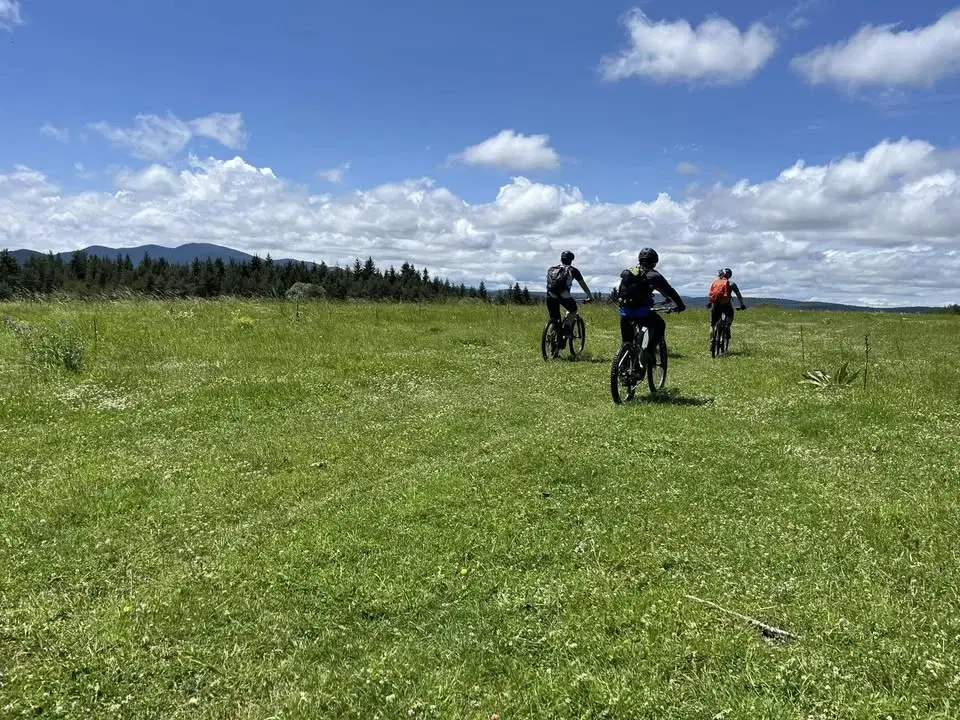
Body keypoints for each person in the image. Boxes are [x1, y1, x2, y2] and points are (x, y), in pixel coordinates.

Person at [616, 248, 686, 348]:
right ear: (654, 263)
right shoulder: (655, 276)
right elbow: (670, 291)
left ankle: (624, 357)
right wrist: (680, 305)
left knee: (627, 343)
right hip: (642, 313)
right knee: (660, 324)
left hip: (625, 312)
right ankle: (648, 351)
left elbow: (620, 293)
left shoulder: (629, 273)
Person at [545, 251, 594, 346]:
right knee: (573, 309)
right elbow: (582, 284)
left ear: (561, 259)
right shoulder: (573, 270)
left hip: (550, 296)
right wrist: (590, 296)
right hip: (564, 295)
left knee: (554, 319)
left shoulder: (552, 269)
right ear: (571, 260)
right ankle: (567, 328)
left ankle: (551, 340)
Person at [706, 267, 746, 334]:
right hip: (725, 304)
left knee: (712, 325)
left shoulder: (715, 283)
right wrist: (742, 305)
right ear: (729, 275)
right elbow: (739, 296)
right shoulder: (732, 284)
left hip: (715, 304)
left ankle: (712, 340)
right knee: (730, 315)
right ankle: (727, 327)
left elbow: (712, 294)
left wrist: (710, 303)